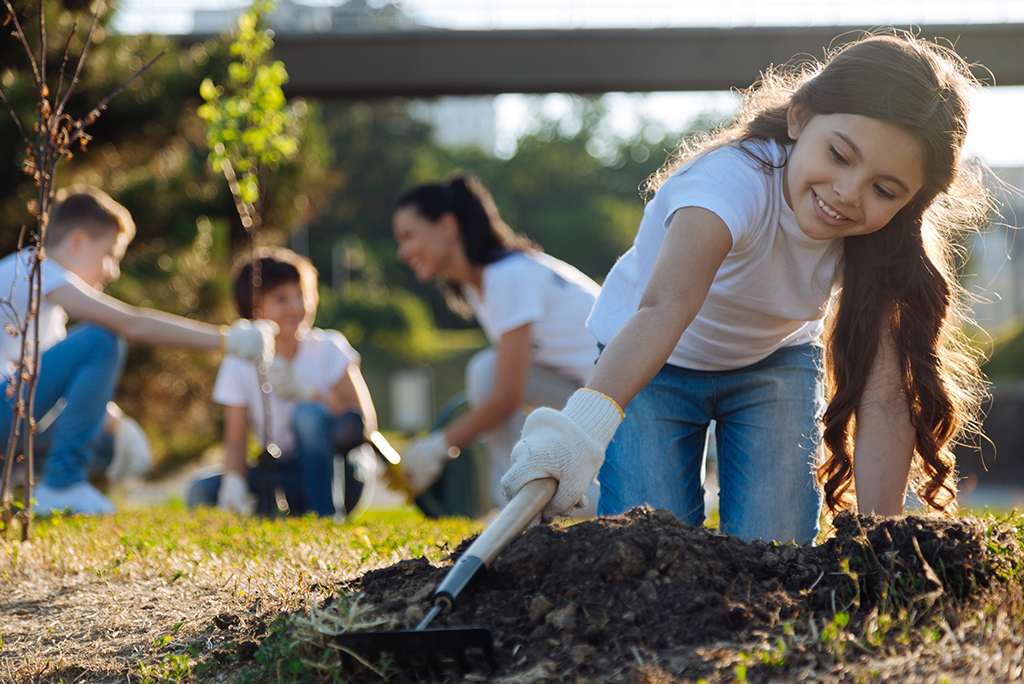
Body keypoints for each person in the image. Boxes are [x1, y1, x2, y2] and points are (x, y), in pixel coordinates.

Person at [500, 33, 992, 543]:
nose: (849, 193)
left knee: (775, 551)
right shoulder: (726, 187)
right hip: (654, 363)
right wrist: (576, 435)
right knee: (650, 542)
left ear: (911, 199)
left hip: (772, 365)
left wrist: (878, 541)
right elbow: (664, 309)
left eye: (884, 189)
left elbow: (885, 396)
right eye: (840, 155)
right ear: (800, 118)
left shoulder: (885, 238)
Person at [0, 186, 276, 515]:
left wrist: (120, 425)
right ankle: (61, 485)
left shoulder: (42, 297)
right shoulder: (37, 270)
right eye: (111, 256)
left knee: (107, 442)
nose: (112, 271)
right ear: (77, 242)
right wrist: (227, 340)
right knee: (102, 339)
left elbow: (61, 390)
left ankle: (34, 487)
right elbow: (133, 324)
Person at [392, 174, 602, 510]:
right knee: (487, 369)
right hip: (595, 401)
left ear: (447, 226)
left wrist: (437, 446)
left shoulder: (508, 276)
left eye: (408, 236)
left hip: (626, 409)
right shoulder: (487, 286)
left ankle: (521, 497)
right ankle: (522, 493)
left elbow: (506, 395)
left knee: (486, 371)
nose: (403, 252)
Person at [186, 247, 378, 519]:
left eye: (303, 295)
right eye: (281, 299)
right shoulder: (240, 361)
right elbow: (236, 439)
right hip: (286, 473)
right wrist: (234, 481)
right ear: (254, 308)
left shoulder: (329, 348)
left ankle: (326, 516)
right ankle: (282, 513)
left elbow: (362, 422)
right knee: (201, 492)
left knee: (307, 416)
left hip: (342, 473)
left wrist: (311, 396)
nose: (297, 307)